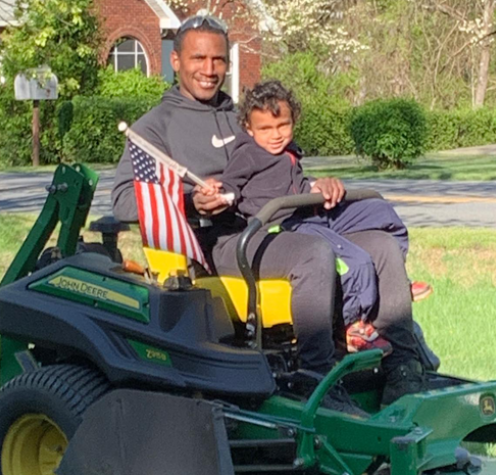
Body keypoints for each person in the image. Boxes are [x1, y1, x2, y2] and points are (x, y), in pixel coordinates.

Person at [111, 14, 426, 406]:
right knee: (314, 255)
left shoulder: (244, 113)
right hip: (227, 239)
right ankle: (317, 380)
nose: (209, 70)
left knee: (381, 246)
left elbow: (281, 171)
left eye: (218, 60)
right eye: (198, 59)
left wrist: (316, 185)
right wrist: (191, 200)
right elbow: (126, 198)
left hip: (286, 221)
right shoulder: (155, 127)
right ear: (175, 61)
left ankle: (404, 366)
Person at [210, 80, 424, 356]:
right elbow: (231, 186)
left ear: (294, 120)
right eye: (265, 129)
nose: (275, 135)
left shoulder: (289, 151)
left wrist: (315, 188)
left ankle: (395, 284)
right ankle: (348, 325)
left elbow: (295, 184)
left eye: (283, 126)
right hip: (281, 225)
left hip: (308, 211)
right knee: (353, 261)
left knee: (379, 210)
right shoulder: (249, 154)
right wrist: (221, 195)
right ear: (249, 129)